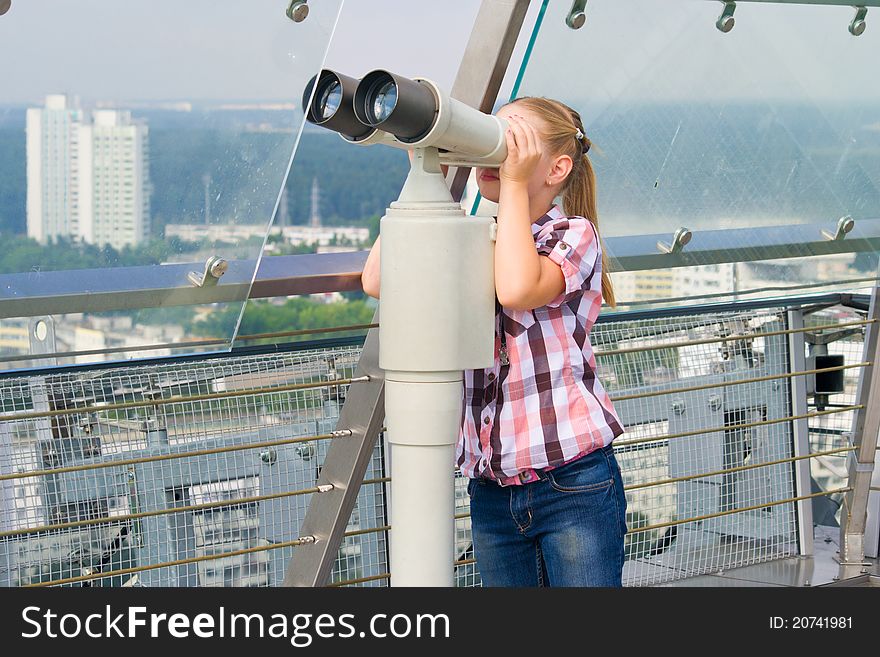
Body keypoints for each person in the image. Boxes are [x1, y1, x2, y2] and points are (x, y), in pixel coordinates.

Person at [360, 96, 628, 587]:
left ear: (557, 168)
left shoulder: (571, 234)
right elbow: (380, 279)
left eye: (511, 142)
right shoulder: (473, 233)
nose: (494, 153)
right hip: (492, 490)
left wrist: (509, 184)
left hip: (572, 479)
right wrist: (425, 173)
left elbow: (518, 288)